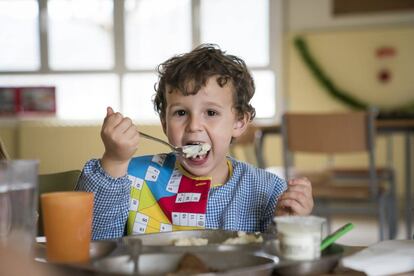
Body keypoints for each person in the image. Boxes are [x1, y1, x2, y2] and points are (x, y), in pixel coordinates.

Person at [76, 44, 313, 240]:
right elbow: (94, 240)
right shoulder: (129, 177)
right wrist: (114, 160)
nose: (194, 126)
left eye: (210, 113)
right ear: (164, 122)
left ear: (239, 121)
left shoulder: (267, 190)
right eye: (180, 113)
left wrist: (289, 225)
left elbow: (274, 258)